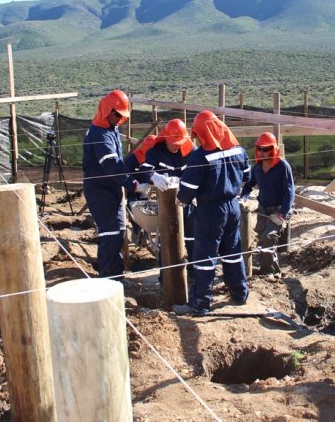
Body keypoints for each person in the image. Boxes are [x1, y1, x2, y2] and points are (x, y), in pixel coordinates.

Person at [173, 111, 251, 316]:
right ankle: (240, 293)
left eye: (197, 135)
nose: (196, 139)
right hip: (233, 207)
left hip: (210, 210)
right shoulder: (239, 151)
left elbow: (188, 189)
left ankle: (200, 303)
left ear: (202, 133)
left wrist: (180, 200)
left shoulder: (200, 156)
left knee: (204, 257)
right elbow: (247, 176)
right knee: (233, 252)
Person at [82, 89, 148, 280]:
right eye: (117, 114)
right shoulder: (99, 133)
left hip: (112, 190)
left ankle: (116, 276)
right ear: (107, 110)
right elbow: (112, 164)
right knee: (110, 234)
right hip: (100, 192)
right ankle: (108, 279)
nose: (120, 119)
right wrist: (133, 184)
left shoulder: (111, 128)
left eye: (122, 116)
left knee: (119, 233)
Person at [137, 119, 197, 259]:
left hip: (187, 201)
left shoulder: (191, 150)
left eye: (179, 144)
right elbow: (143, 171)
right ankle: (166, 276)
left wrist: (185, 182)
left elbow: (200, 171)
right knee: (168, 241)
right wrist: (153, 177)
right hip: (165, 203)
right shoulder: (156, 151)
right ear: (166, 138)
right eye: (173, 143)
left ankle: (194, 272)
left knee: (192, 237)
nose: (176, 147)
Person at [240, 132, 295, 276]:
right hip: (263, 209)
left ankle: (270, 272)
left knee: (269, 237)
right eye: (259, 148)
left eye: (265, 149)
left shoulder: (283, 166)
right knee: (262, 237)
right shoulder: (257, 168)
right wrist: (243, 198)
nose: (261, 152)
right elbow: (248, 185)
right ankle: (266, 266)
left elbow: (290, 191)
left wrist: (282, 214)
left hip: (278, 210)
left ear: (273, 149)